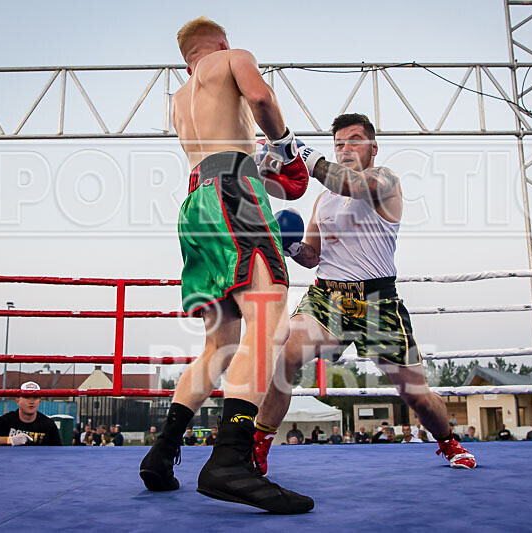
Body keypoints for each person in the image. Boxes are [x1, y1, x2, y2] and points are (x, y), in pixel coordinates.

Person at [138, 16, 313, 514]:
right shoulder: (235, 58)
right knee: (270, 323)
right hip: (235, 196)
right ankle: (231, 460)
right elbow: (262, 100)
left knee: (220, 344)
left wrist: (262, 163)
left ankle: (162, 452)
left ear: (186, 60)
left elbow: (222, 150)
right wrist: (284, 144)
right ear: (221, 43)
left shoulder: (179, 99)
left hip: (196, 205)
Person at [251, 113, 476, 474]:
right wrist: (291, 246)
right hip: (327, 297)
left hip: (378, 302)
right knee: (285, 354)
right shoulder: (323, 200)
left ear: (373, 147)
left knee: (416, 396)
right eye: (339, 143)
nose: (345, 148)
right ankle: (257, 449)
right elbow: (313, 256)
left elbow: (350, 185)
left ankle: (448, 441)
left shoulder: (385, 181)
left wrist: (304, 155)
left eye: (354, 140)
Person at [0, 381, 62, 446]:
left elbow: (58, 452)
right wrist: (9, 440)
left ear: (39, 401)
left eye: (35, 397)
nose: (31, 401)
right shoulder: (7, 420)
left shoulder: (48, 424)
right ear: (17, 400)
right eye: (27, 397)